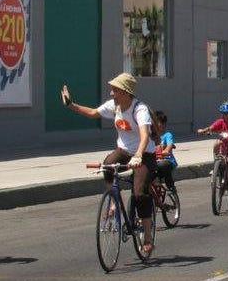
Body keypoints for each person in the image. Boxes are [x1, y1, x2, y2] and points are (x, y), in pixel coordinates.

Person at [61, 73, 156, 255]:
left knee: (139, 193)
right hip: (123, 151)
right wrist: (70, 105)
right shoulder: (115, 106)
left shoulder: (139, 109)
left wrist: (138, 155)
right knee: (107, 165)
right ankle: (113, 200)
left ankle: (148, 236)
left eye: (115, 90)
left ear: (126, 92)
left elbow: (145, 136)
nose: (112, 93)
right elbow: (93, 113)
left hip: (144, 154)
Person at [196, 101, 228, 206]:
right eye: (225, 114)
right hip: (224, 148)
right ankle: (217, 164)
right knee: (217, 143)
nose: (227, 116)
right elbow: (211, 128)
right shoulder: (220, 122)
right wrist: (203, 130)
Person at [153, 111, 177, 191]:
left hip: (167, 160)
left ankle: (170, 186)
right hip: (154, 161)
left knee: (163, 165)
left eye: (163, 123)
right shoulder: (150, 136)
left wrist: (167, 150)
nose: (162, 125)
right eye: (159, 123)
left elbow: (170, 144)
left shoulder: (167, 135)